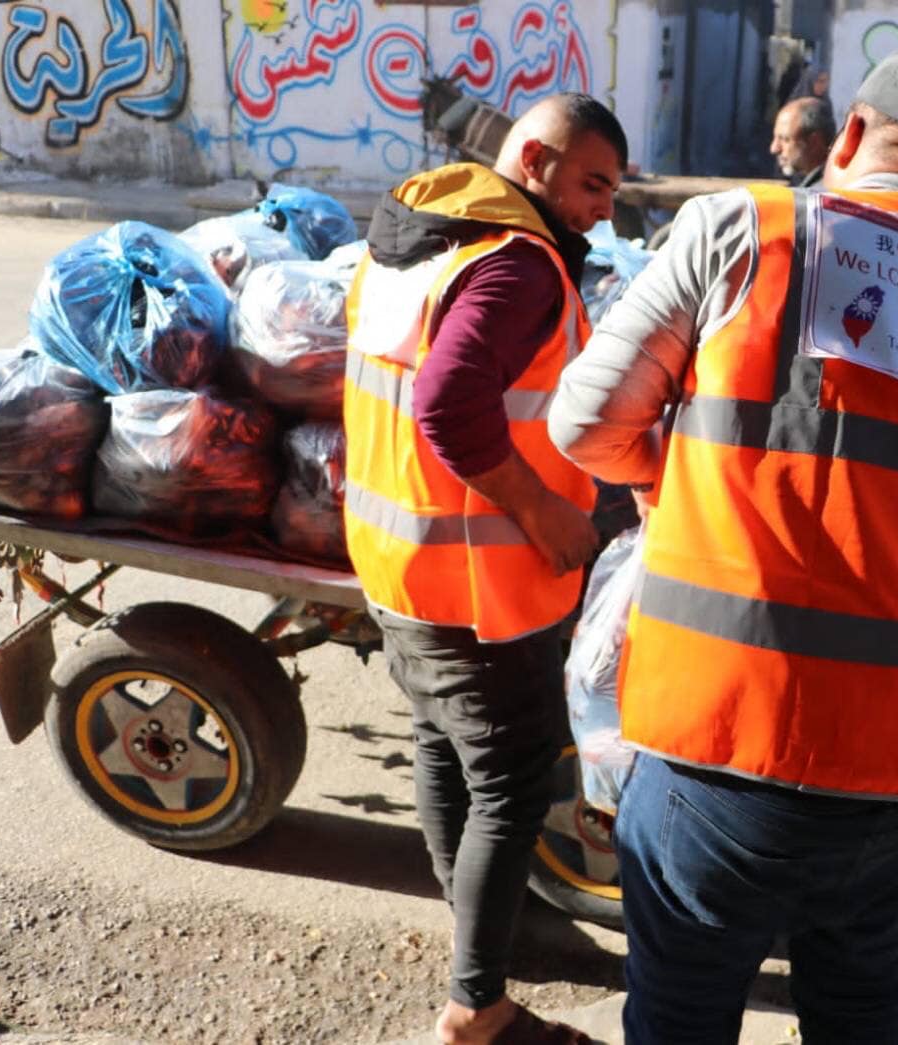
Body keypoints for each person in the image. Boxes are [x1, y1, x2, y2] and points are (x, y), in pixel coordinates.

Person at [549, 48, 898, 1045]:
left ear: (853, 136)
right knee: (861, 997)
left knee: (684, 1013)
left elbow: (585, 426)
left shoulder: (751, 227)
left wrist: (676, 486)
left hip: (733, 736)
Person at [342, 93, 626, 1045]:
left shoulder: (417, 235)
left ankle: (475, 940)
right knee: (511, 779)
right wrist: (544, 508)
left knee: (440, 745)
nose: (602, 210)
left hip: (398, 562)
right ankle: (476, 1009)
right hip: (476, 583)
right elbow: (449, 402)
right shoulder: (518, 264)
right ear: (535, 160)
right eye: (592, 183)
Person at [769, 96, 836, 187]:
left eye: (785, 139)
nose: (774, 149)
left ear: (814, 142)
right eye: (775, 138)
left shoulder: (828, 192)